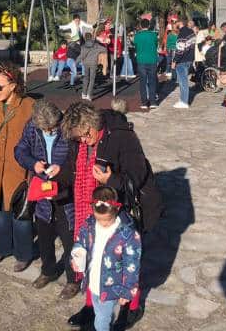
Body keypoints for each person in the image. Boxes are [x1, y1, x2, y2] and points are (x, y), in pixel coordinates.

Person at [61, 102, 160, 331]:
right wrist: (58, 174)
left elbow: (138, 173)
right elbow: (72, 167)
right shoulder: (81, 139)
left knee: (126, 260)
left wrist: (110, 180)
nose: (83, 142)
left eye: (85, 136)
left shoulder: (121, 136)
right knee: (93, 256)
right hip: (92, 207)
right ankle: (90, 306)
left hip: (120, 207)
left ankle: (131, 308)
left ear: (92, 124)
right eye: (78, 139)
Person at [14, 100, 80, 299]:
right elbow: (20, 151)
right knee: (44, 236)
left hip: (65, 193)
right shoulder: (32, 127)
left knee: (69, 239)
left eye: (52, 128)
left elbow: (77, 158)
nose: (50, 132)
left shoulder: (67, 127)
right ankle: (48, 270)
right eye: (46, 129)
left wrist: (62, 170)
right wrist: (33, 164)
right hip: (42, 192)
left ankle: (73, 279)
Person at [0, 62, 35, 270]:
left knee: (20, 212)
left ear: (13, 85)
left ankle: (23, 253)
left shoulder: (29, 105)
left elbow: (36, 138)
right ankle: (2, 249)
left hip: (19, 168)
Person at [70, 185, 141, 331]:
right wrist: (77, 253)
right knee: (98, 312)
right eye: (99, 219)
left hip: (111, 287)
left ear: (116, 211)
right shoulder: (89, 225)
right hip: (93, 281)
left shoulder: (126, 234)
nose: (102, 224)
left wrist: (128, 290)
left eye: (107, 221)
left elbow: (132, 265)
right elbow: (80, 241)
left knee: (102, 319)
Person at [134, 18, 159, 109]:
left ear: (141, 26)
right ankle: (153, 101)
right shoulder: (153, 35)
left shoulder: (137, 36)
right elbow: (156, 45)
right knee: (152, 81)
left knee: (142, 82)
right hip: (152, 60)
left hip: (141, 60)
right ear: (148, 26)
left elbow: (135, 46)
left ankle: (144, 102)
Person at [171, 18, 195, 109]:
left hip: (182, 61)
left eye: (175, 23)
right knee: (184, 81)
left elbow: (180, 49)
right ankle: (183, 100)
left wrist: (174, 60)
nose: (174, 25)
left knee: (183, 81)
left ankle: (184, 101)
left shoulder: (182, 33)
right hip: (189, 59)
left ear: (180, 23)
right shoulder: (191, 32)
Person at [79, 32, 104, 101]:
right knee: (92, 79)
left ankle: (84, 93)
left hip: (86, 63)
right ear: (91, 37)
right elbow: (103, 49)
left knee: (86, 78)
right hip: (93, 63)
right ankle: (89, 95)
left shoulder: (83, 45)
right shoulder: (95, 44)